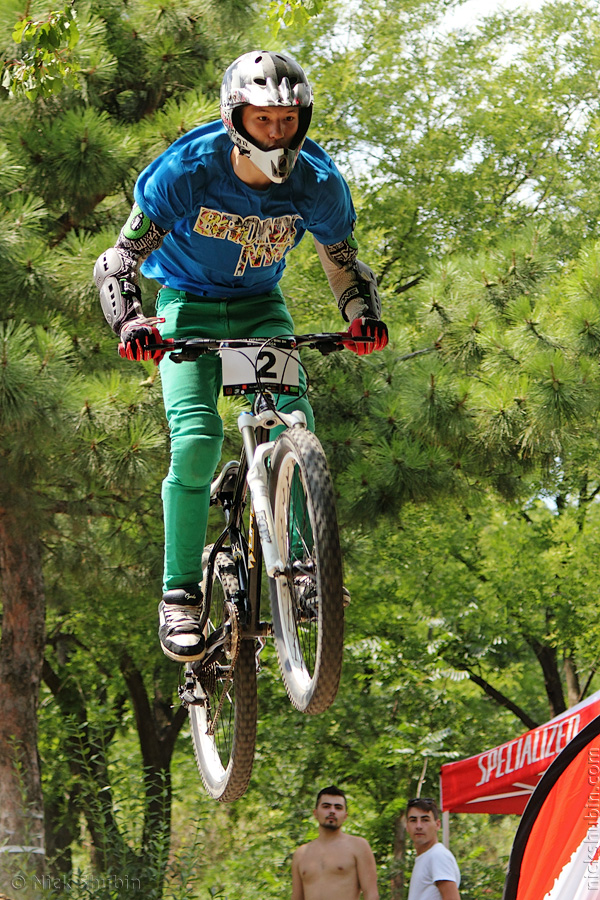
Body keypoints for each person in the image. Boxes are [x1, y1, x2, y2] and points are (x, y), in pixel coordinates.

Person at [94, 50, 388, 663]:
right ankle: (179, 594)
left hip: (260, 305)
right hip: (185, 308)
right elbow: (118, 259)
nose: (275, 131)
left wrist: (360, 317)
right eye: (263, 119)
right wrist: (133, 321)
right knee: (197, 438)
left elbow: (340, 262)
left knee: (294, 419)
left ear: (301, 120)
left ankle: (305, 566)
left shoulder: (319, 185)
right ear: (236, 117)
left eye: (286, 120)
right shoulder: (188, 171)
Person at [291, 785, 379, 900]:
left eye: (338, 808)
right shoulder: (301, 854)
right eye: (326, 806)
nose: (332, 811)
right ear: (315, 813)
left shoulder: (358, 846)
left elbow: (371, 894)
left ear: (345, 816)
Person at [406, 798, 461, 900]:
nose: (418, 826)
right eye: (413, 820)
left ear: (437, 824)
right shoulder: (426, 856)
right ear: (407, 826)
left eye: (425, 820)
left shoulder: (438, 855)